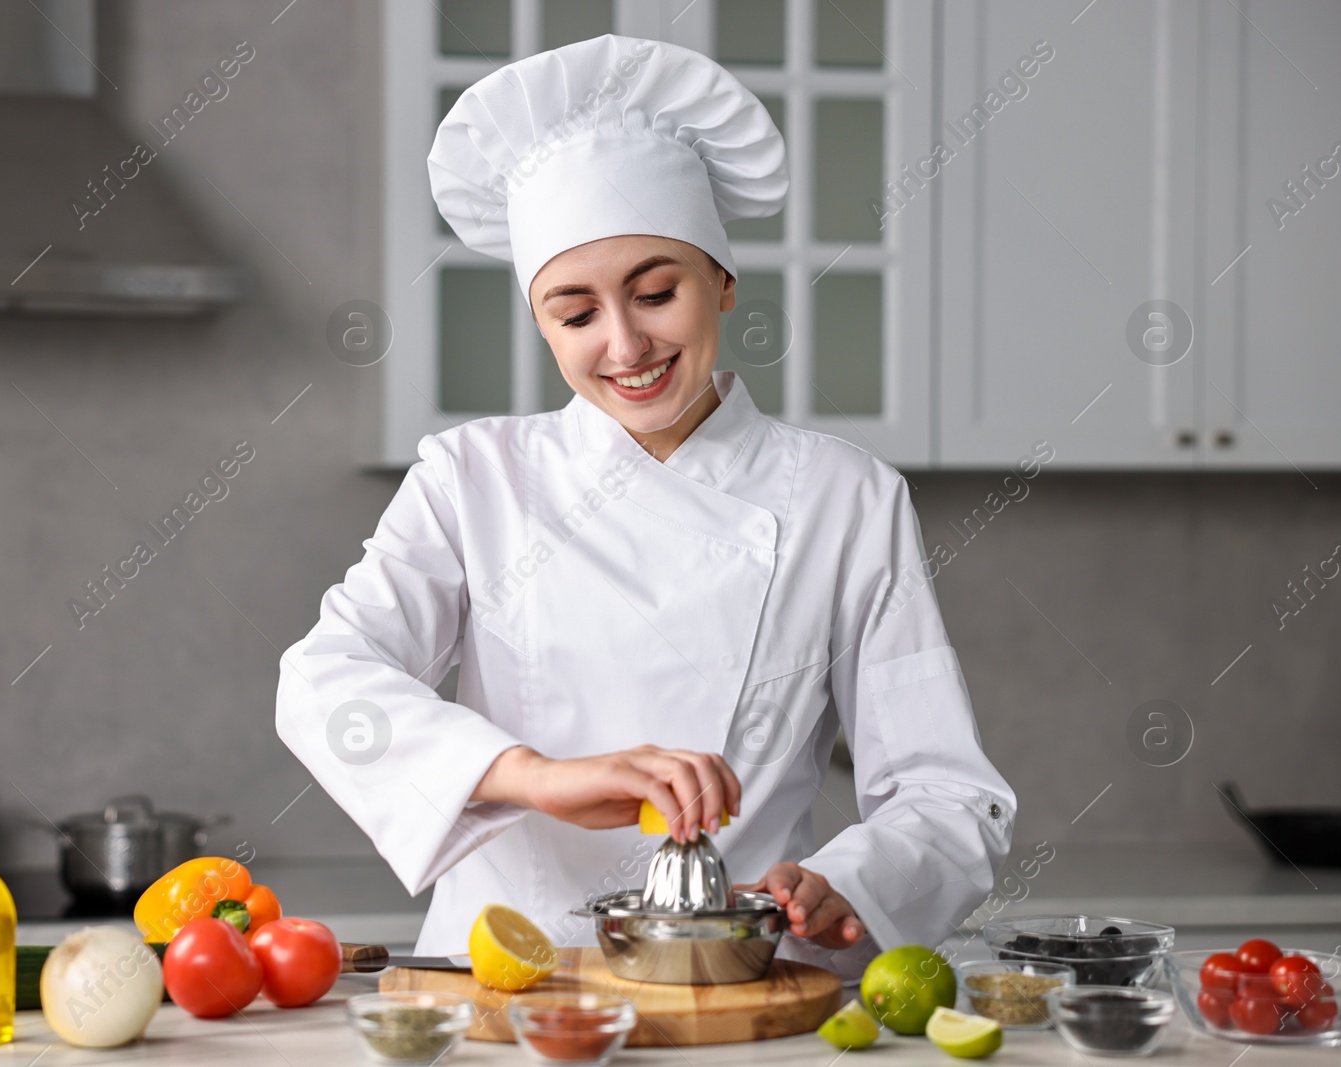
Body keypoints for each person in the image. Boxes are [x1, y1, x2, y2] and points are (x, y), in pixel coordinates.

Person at [277, 34, 1014, 975]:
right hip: (513, 983)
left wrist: (851, 881)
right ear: (542, 324)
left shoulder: (845, 498)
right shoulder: (475, 476)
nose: (625, 344)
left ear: (724, 282)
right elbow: (325, 681)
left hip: (744, 977)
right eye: (576, 313)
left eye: (657, 291)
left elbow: (947, 793)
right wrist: (533, 777)